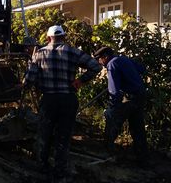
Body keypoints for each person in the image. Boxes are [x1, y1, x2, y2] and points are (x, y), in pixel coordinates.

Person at [23, 25, 101, 182]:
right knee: (63, 135)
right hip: (68, 99)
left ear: (47, 38)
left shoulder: (39, 53)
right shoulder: (73, 52)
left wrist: (22, 86)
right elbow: (96, 66)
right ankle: (60, 170)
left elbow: (30, 79)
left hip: (49, 100)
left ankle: (42, 165)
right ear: (64, 37)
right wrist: (81, 80)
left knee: (44, 133)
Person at [93, 46, 148, 165]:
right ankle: (142, 157)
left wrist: (113, 107)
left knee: (111, 118)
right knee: (137, 126)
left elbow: (113, 92)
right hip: (140, 95)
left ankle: (108, 151)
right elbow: (142, 69)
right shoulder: (123, 59)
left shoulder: (112, 64)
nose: (99, 62)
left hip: (130, 97)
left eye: (99, 59)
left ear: (105, 57)